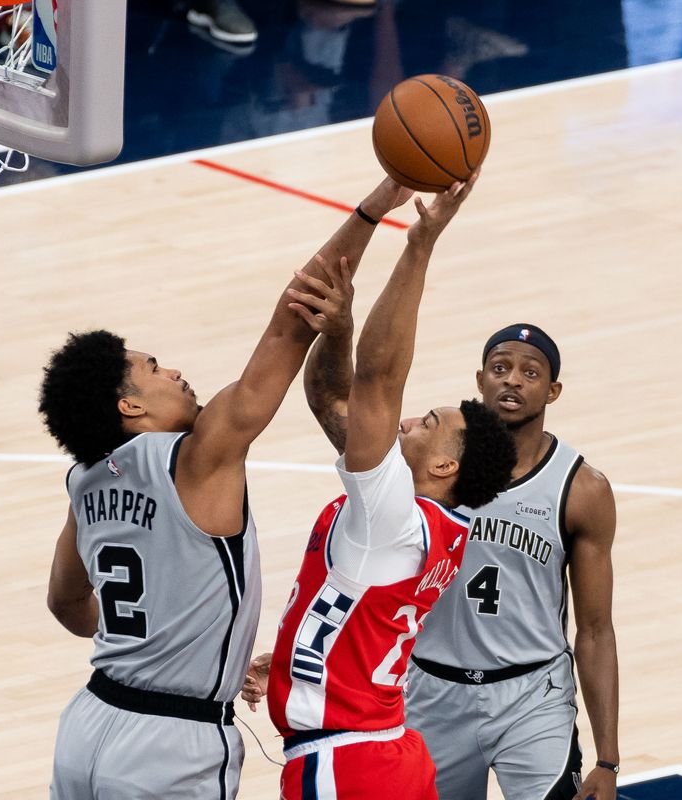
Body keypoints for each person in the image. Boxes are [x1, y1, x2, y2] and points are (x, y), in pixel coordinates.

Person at [38, 175, 413, 800]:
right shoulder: (197, 456)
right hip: (171, 748)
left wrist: (167, 642)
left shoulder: (84, 483)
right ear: (130, 404)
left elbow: (67, 605)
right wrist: (372, 210)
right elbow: (289, 326)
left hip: (88, 726)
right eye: (154, 368)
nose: (176, 371)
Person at [241, 173, 518, 799]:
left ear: (445, 467)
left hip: (350, 768)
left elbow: (378, 377)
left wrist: (420, 243)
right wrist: (297, 663)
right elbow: (332, 398)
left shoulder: (391, 513)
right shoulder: (421, 521)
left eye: (431, 424)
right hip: (381, 749)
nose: (412, 418)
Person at [403, 323, 621, 800]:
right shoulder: (431, 464)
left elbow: (597, 628)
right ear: (480, 380)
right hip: (431, 691)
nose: (513, 381)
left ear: (553, 390)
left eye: (530, 372)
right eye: (500, 368)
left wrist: (608, 759)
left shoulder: (582, 489)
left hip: (532, 696)